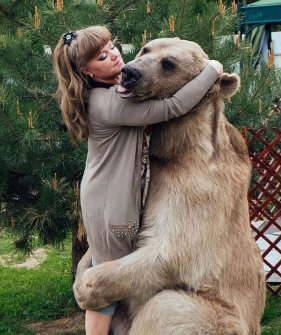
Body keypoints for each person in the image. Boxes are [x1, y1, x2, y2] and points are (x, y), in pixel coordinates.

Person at [52, 26, 223, 335]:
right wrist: (213, 70)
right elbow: (173, 107)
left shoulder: (109, 92)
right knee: (102, 286)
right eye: (102, 56)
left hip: (104, 195)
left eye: (112, 47)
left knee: (104, 271)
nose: (118, 56)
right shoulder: (111, 104)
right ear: (85, 71)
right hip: (111, 202)